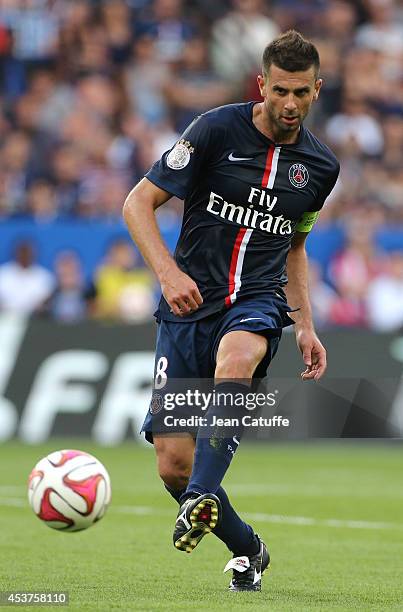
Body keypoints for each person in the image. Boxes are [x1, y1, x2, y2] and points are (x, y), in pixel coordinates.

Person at [123, 30, 339, 592]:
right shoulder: (216, 129)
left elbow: (294, 243)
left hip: (257, 301)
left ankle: (199, 498)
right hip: (188, 304)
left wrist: (306, 323)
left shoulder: (320, 168)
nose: (289, 104)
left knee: (237, 357)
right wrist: (169, 275)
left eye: (301, 93)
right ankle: (247, 549)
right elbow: (137, 202)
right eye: (280, 92)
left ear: (317, 90)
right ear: (261, 85)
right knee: (173, 463)